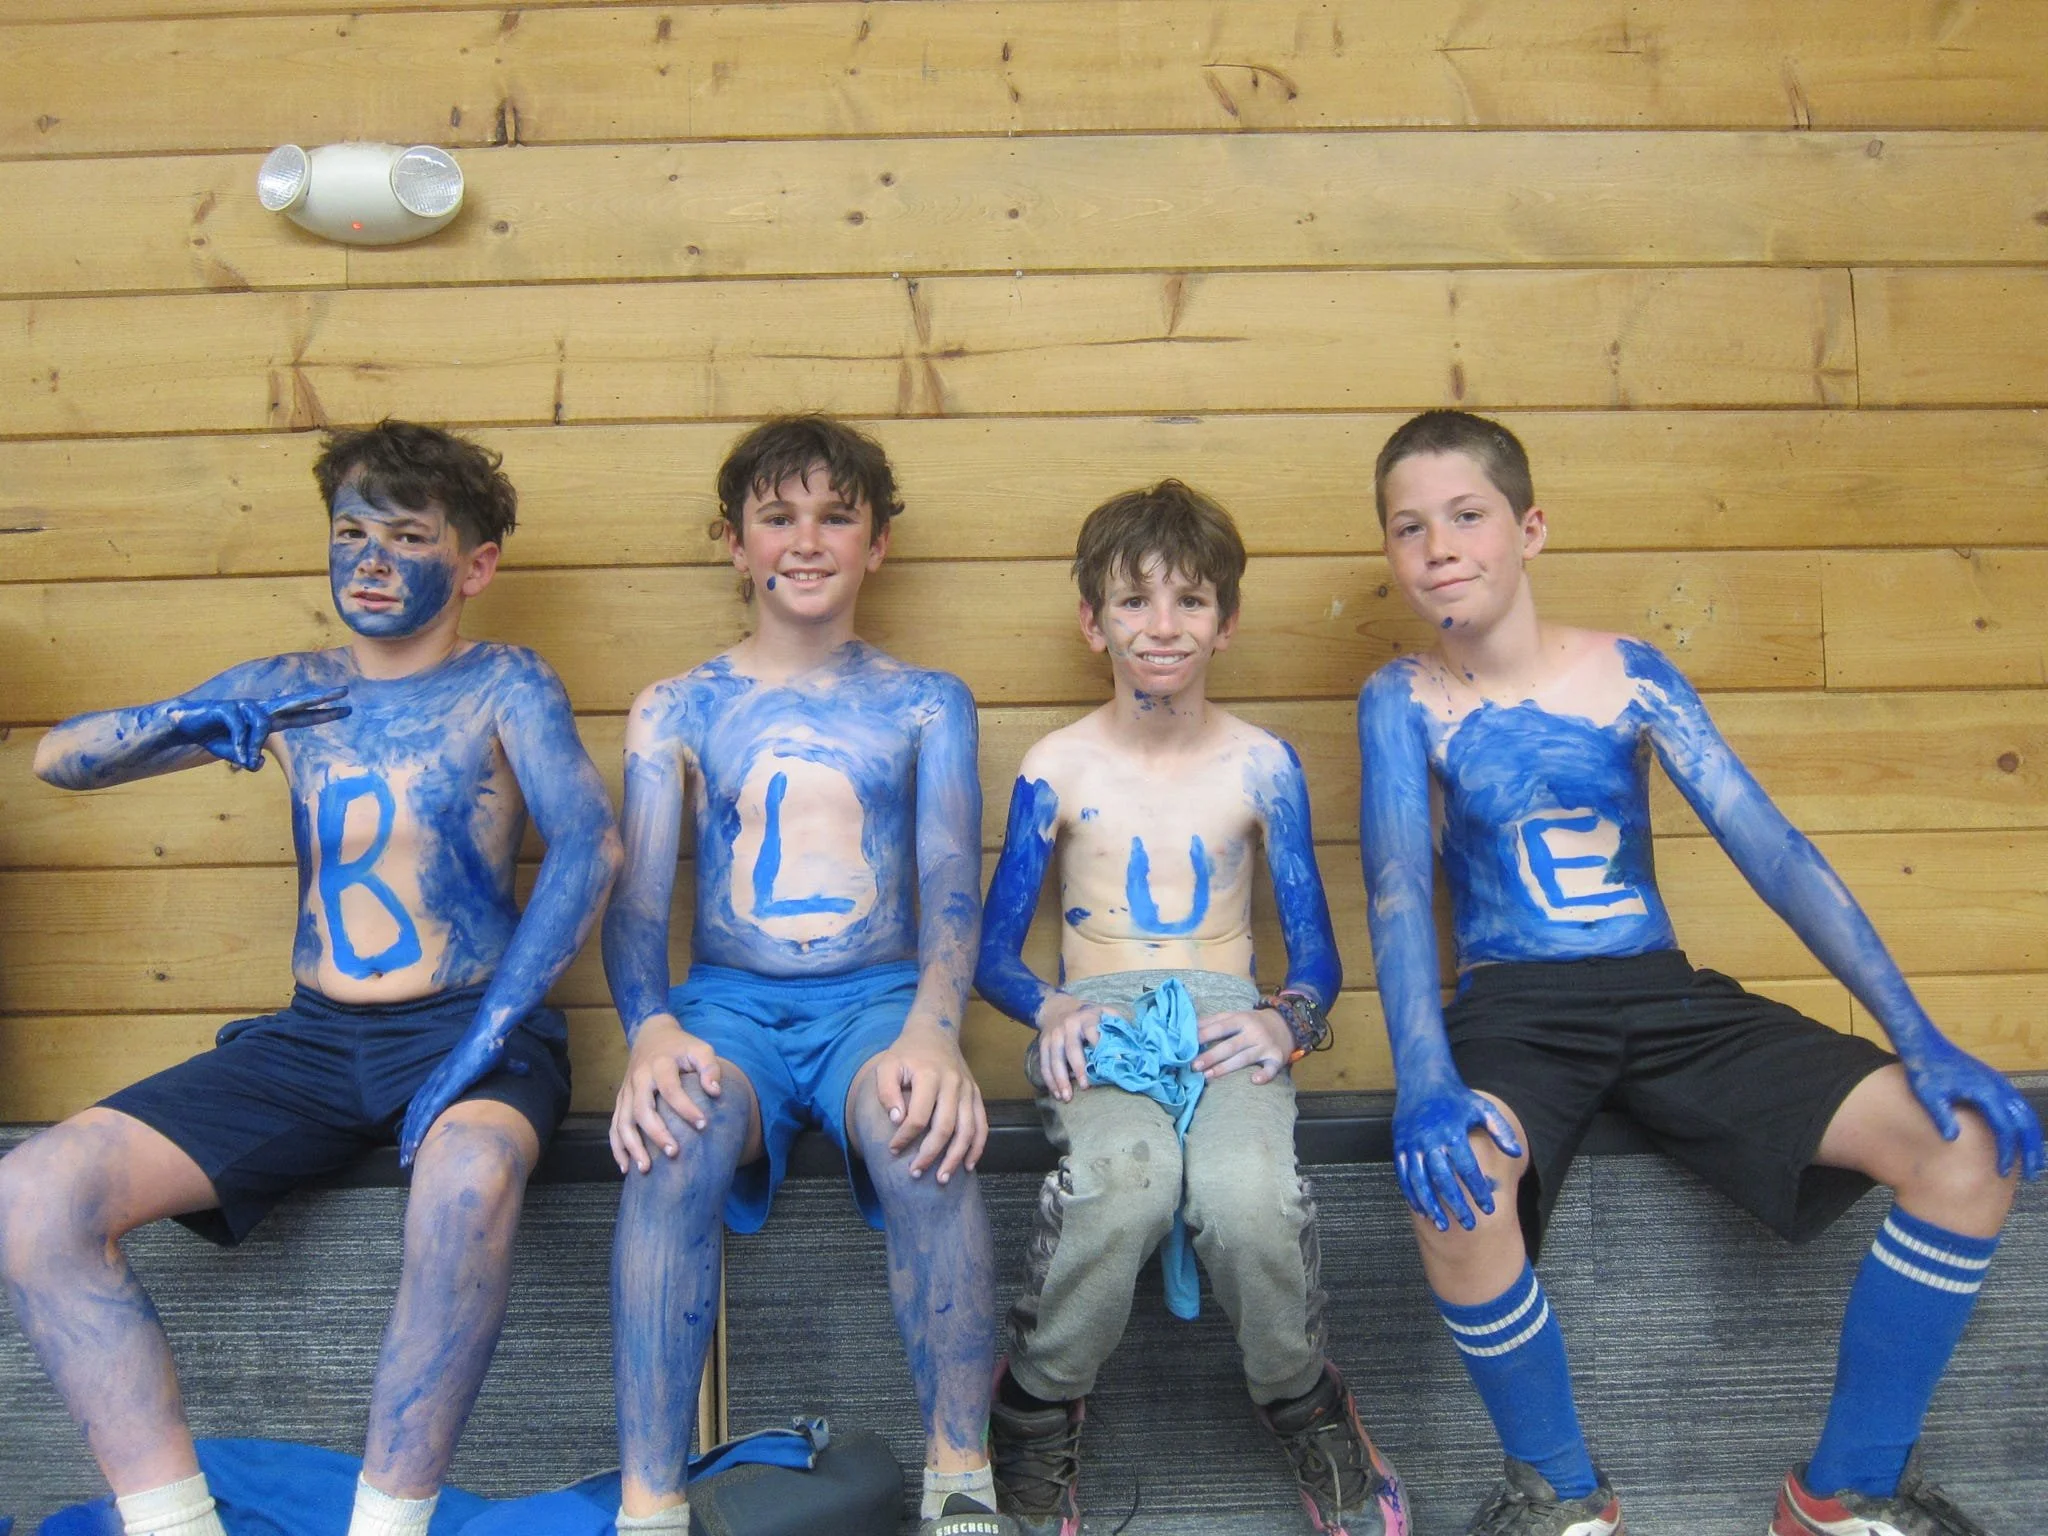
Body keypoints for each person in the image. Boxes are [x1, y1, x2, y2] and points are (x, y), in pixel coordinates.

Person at [1356, 408, 2043, 1536]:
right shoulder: (1402, 697)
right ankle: (1564, 1499)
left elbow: (1770, 848)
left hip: (1663, 994)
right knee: (1456, 1183)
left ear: (1527, 528)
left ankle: (1843, 1492)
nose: (1437, 546)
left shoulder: (1628, 671)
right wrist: (1423, 1078)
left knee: (1962, 1146)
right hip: (1515, 1010)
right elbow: (1392, 887)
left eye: (1465, 516)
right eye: (1407, 527)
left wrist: (1913, 1031)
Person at [0, 420, 621, 1536]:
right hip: (312, 1041)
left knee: (467, 1178)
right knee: (35, 1191)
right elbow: (58, 759)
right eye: (350, 531)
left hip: (471, 1028)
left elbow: (590, 846)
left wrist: (483, 1045)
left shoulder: (504, 682)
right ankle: (172, 1522)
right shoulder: (291, 687)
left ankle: (387, 1525)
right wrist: (179, 722)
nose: (372, 557)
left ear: (474, 566)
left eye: (407, 534)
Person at [602, 414, 1013, 1536]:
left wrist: (933, 1032)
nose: (806, 540)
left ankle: (961, 1477)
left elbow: (947, 885)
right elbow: (638, 905)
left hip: (876, 1001)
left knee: (918, 1134)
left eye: (837, 516)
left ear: (876, 543)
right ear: (733, 544)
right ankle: (649, 1501)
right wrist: (647, 1029)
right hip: (726, 1005)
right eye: (776, 517)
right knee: (670, 1143)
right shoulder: (676, 707)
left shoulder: (926, 699)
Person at [975, 480, 1409, 1536]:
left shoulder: (1261, 765)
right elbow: (991, 953)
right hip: (1101, 1017)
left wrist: (1284, 1021)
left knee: (1246, 1192)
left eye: (1189, 601)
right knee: (1123, 1185)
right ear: (1092, 622)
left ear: (1226, 621)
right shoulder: (1055, 767)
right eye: (1132, 602)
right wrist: (1048, 1010)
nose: (1160, 627)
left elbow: (1313, 949)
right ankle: (1033, 1406)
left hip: (1225, 1013)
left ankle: (1302, 1396)